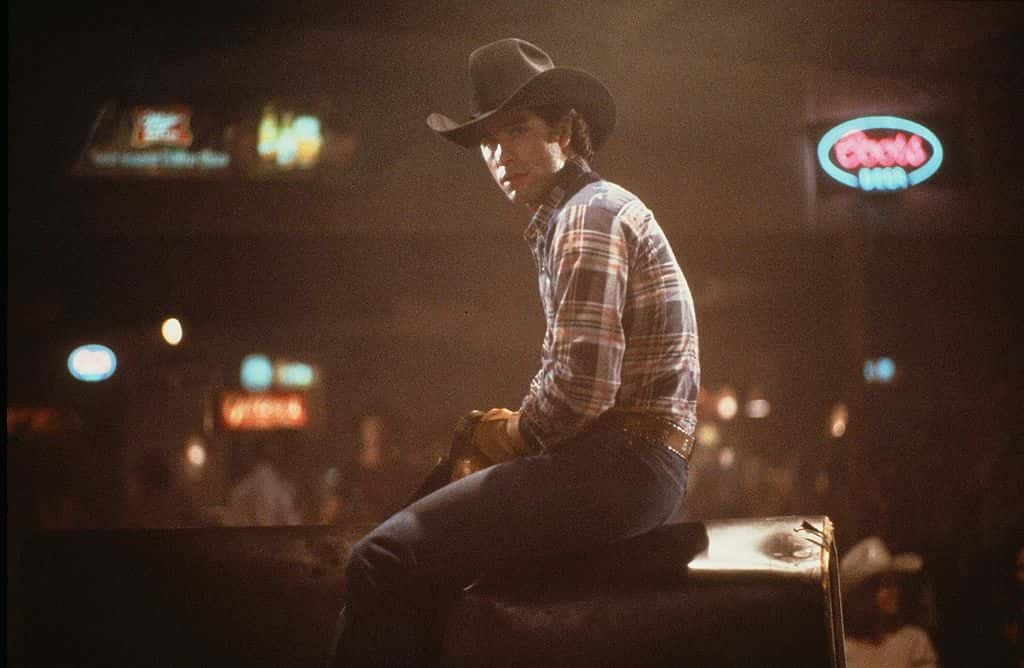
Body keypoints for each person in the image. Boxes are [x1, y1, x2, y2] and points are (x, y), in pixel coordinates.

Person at [329, 37, 699, 666]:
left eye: (519, 130)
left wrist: (511, 432)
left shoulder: (587, 216)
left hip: (621, 466)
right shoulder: (580, 214)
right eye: (488, 142)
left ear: (565, 129)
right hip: (631, 468)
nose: (502, 155)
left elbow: (582, 390)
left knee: (379, 558)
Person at [840, 536, 939, 668]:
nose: (895, 592)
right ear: (865, 595)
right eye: (886, 585)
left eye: (895, 584)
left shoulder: (914, 642)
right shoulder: (845, 650)